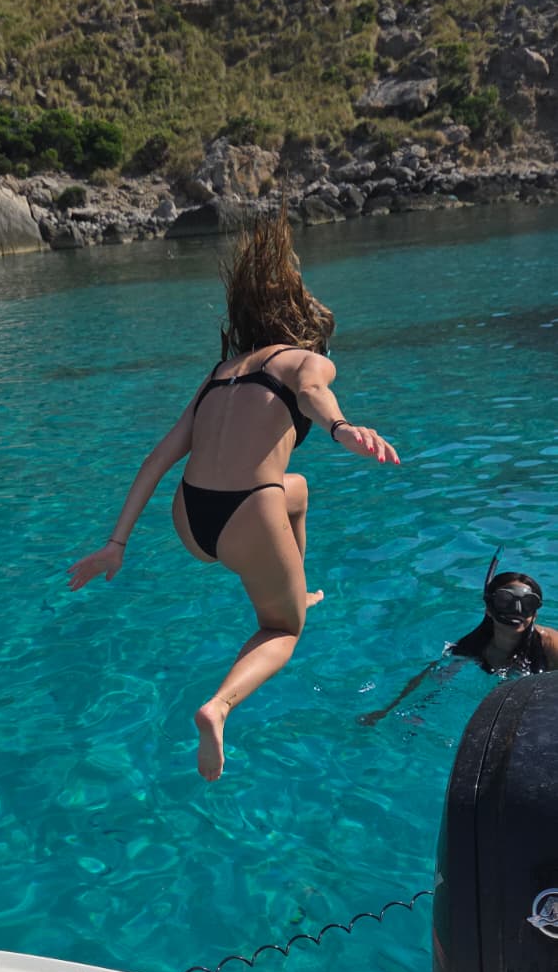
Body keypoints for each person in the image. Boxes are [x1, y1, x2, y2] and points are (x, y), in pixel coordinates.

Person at [68, 206, 400, 780]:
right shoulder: (306, 360)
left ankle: (297, 585)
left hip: (191, 520)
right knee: (283, 630)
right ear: (301, 321)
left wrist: (115, 545)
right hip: (249, 516)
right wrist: (342, 429)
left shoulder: (219, 373)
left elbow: (156, 460)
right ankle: (219, 707)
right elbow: (315, 393)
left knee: (298, 488)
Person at [359, 553, 558, 725]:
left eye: (528, 604)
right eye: (505, 601)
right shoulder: (471, 647)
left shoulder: (550, 645)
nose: (517, 611)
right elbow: (429, 681)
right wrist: (388, 711)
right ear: (489, 609)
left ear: (535, 614)